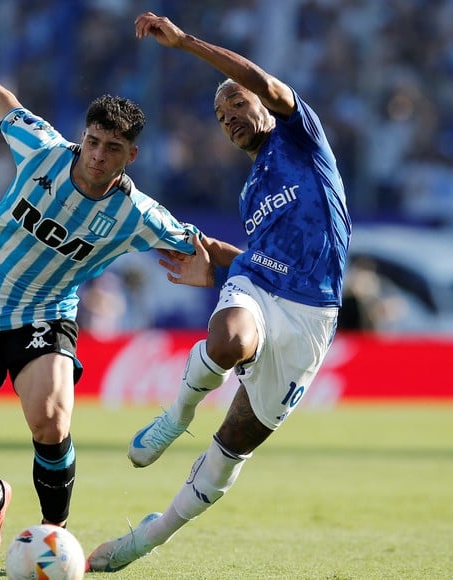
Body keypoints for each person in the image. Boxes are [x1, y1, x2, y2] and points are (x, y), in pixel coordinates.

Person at [0, 39, 201, 570]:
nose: (98, 155)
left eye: (112, 148)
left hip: (44, 314)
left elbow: (198, 245)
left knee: (49, 420)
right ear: (82, 138)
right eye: (93, 142)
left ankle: (54, 540)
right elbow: (4, 104)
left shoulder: (137, 214)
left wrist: (265, 270)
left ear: (131, 155)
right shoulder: (44, 151)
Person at [87, 12, 351, 572]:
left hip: (312, 319)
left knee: (234, 445)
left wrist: (185, 44)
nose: (229, 115)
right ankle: (178, 414)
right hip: (260, 291)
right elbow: (261, 263)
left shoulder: (304, 141)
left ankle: (145, 540)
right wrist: (221, 266)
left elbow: (266, 82)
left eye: (237, 103)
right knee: (229, 341)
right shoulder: (252, 189)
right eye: (220, 113)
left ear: (262, 102)